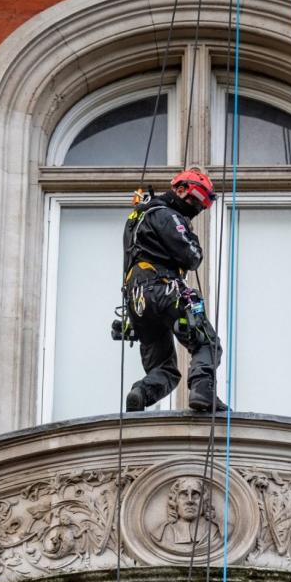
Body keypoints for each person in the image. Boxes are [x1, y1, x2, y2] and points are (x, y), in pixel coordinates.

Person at [120, 167, 227, 415]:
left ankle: (141, 392)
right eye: (193, 203)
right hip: (165, 289)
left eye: (200, 208)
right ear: (179, 190)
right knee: (207, 343)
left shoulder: (136, 220)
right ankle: (203, 391)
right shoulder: (167, 215)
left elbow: (127, 263)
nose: (194, 210)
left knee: (164, 368)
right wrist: (193, 239)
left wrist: (129, 316)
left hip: (137, 299)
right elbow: (191, 257)